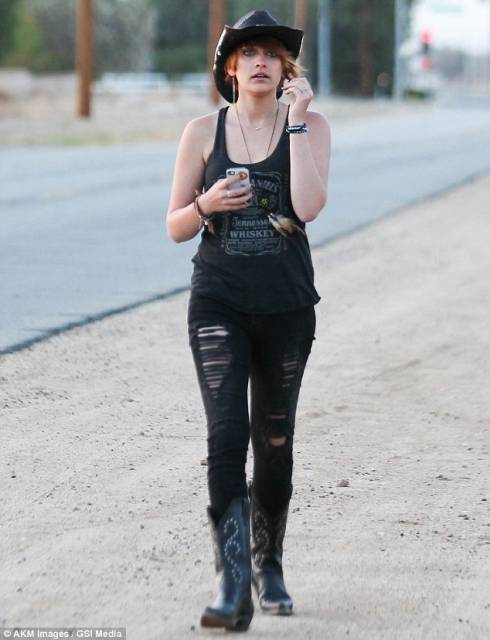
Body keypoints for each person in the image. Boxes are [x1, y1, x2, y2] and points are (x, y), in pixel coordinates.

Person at [166, 9, 330, 632]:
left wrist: (298, 122)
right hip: (218, 302)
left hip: (287, 306)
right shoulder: (201, 132)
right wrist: (206, 203)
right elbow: (174, 226)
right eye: (249, 53)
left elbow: (308, 207)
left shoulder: (311, 125)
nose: (261, 61)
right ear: (230, 68)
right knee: (226, 435)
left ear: (285, 69)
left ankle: (270, 562)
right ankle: (233, 581)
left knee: (275, 440)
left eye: (272, 54)